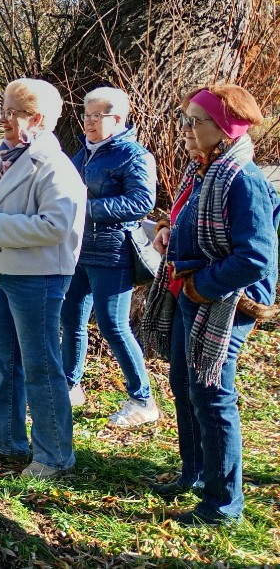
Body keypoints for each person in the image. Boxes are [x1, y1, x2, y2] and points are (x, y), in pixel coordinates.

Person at [141, 84, 279, 526]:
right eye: (184, 119)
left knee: (213, 396)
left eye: (193, 122)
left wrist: (203, 285)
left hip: (225, 303)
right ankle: (195, 475)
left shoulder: (243, 180)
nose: (183, 129)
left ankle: (223, 505)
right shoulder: (203, 169)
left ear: (222, 129)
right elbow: (189, 219)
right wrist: (168, 230)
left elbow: (255, 256)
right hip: (191, 296)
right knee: (185, 386)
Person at [0, 78, 87, 480]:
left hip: (39, 275)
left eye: (12, 111)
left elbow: (56, 224)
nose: (3, 118)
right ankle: (5, 440)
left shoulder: (53, 164)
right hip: (6, 269)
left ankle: (54, 456)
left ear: (37, 118)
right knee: (4, 358)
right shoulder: (10, 155)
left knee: (40, 364)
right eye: (3, 108)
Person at [59, 87, 159, 425]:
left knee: (113, 326)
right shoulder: (84, 153)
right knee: (70, 319)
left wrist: (85, 209)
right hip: (79, 251)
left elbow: (141, 202)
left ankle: (143, 399)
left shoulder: (133, 155)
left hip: (114, 252)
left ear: (117, 119)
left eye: (96, 115)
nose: (88, 122)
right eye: (86, 115)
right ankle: (70, 386)